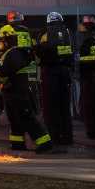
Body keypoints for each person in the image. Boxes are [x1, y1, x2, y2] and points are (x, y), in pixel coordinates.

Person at [0, 23, 53, 154]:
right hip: (11, 92)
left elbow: (5, 72)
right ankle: (17, 143)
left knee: (27, 118)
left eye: (1, 41)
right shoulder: (9, 53)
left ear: (7, 40)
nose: (0, 44)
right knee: (14, 119)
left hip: (18, 92)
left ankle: (45, 143)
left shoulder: (14, 53)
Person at [36, 11, 75, 148]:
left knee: (50, 106)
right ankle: (67, 136)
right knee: (64, 106)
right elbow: (72, 50)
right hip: (64, 72)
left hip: (49, 72)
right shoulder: (67, 32)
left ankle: (54, 136)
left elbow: (39, 52)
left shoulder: (44, 33)